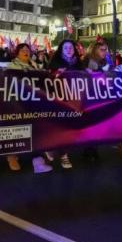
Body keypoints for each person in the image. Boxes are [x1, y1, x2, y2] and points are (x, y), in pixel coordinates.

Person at [5, 43, 53, 174]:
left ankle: (38, 161)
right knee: (16, 131)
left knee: (35, 131)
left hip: (33, 103)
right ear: (17, 53)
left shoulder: (34, 64)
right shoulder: (12, 65)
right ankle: (12, 157)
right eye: (23, 50)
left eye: (28, 50)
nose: (26, 52)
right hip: (18, 103)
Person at [45, 39, 84, 169]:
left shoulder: (79, 63)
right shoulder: (54, 62)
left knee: (70, 127)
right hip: (58, 100)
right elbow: (46, 79)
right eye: (66, 47)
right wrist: (56, 73)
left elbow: (85, 78)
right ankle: (63, 156)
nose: (69, 49)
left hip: (74, 100)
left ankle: (51, 147)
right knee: (61, 127)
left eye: (71, 47)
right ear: (61, 49)